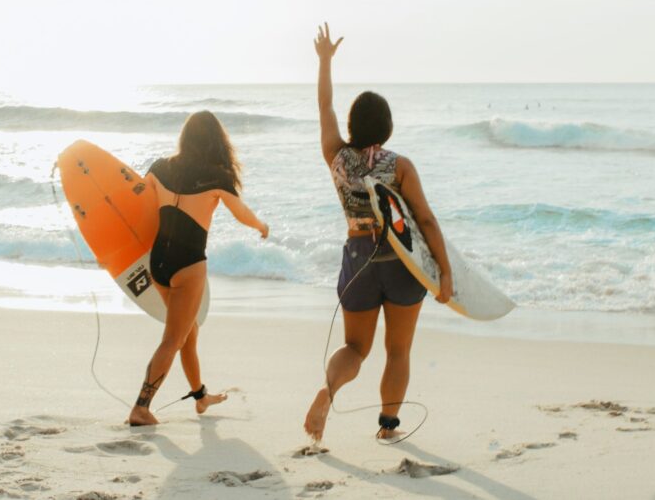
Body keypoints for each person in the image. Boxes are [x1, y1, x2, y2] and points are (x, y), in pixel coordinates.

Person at [303, 23, 454, 442]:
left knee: (356, 349)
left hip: (357, 260)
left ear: (352, 125)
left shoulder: (336, 157)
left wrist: (325, 61)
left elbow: (324, 107)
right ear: (387, 126)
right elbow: (424, 220)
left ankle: (328, 392)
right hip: (400, 261)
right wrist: (445, 271)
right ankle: (388, 428)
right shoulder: (399, 164)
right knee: (398, 350)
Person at [126, 111, 269, 427]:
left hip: (158, 263)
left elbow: (135, 199)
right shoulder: (217, 177)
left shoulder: (160, 167)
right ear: (217, 141)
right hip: (188, 264)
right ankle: (141, 407)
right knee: (173, 339)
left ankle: (200, 396)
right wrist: (261, 226)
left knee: (189, 332)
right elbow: (241, 212)